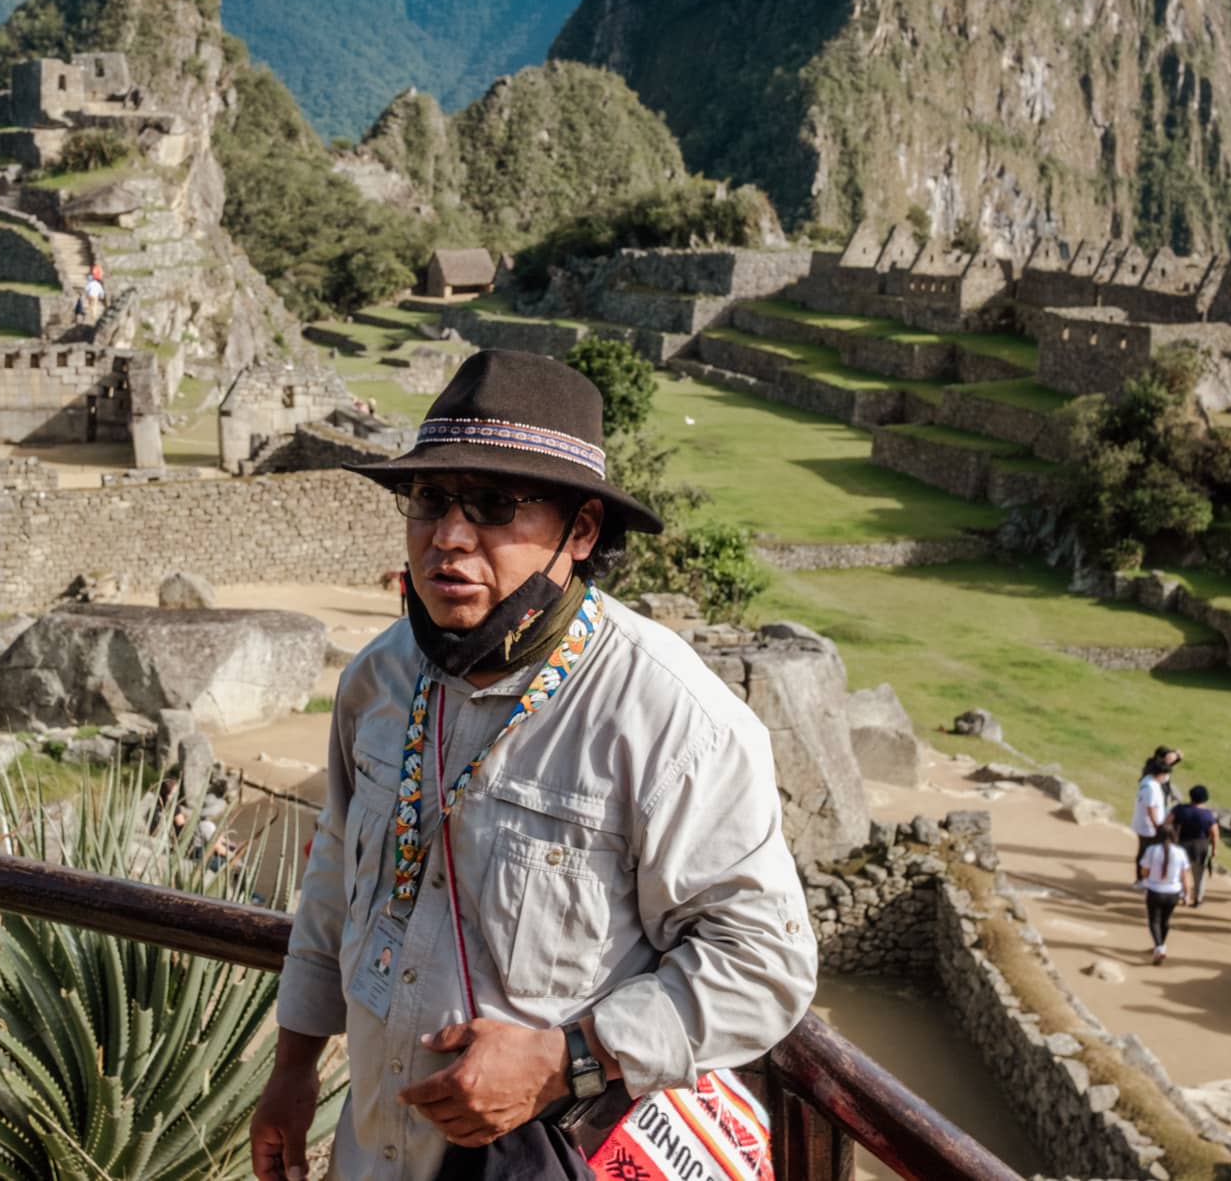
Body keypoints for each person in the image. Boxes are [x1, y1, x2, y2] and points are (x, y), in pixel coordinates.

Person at [250, 349, 816, 1181]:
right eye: (430, 500)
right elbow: (336, 873)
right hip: (373, 1151)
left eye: (493, 504)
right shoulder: (378, 680)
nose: (449, 535)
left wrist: (567, 1057)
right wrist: (293, 1071)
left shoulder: (669, 720)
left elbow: (765, 962)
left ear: (581, 530)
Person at [1137, 820, 1190, 965]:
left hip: (1155, 890)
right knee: (1165, 921)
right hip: (1173, 892)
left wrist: (1148, 877)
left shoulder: (1152, 850)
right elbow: (1185, 876)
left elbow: (1144, 871)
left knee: (1154, 920)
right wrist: (1187, 894)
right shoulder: (1180, 852)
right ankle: (1159, 946)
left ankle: (1159, 947)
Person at [1170, 785, 1217, 907]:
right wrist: (1214, 849)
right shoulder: (1207, 815)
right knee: (1199, 875)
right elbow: (1214, 833)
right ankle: (1197, 898)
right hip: (1200, 846)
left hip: (1181, 844)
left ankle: (1181, 895)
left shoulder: (1179, 809)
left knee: (1180, 872)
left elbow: (1167, 822)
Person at [1132, 757, 1171, 881]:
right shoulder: (1150, 787)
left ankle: (1143, 878)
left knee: (1144, 852)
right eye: (1165, 774)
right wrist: (1157, 826)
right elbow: (1151, 809)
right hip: (1148, 827)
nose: (1166, 777)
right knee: (1145, 853)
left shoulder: (1148, 780)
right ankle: (1141, 879)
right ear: (1159, 774)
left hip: (1145, 825)